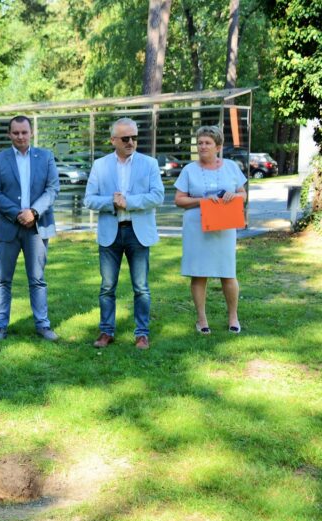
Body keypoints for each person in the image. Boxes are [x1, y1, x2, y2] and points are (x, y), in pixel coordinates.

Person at [84, 117, 164, 350]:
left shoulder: (149, 164)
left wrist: (128, 202)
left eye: (135, 137)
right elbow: (89, 199)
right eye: (126, 138)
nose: (131, 142)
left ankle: (142, 334)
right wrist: (112, 201)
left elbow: (157, 196)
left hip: (138, 233)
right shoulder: (100, 165)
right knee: (107, 286)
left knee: (141, 287)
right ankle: (106, 331)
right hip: (111, 232)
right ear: (113, 140)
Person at [0, 115, 60, 341]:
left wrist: (34, 212)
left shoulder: (46, 157)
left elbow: (52, 189)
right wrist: (17, 214)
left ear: (31, 133)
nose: (20, 136)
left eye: (24, 132)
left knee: (37, 278)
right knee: (3, 279)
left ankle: (42, 324)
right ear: (9, 134)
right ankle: (0, 326)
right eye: (16, 132)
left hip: (37, 228)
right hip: (7, 227)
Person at [174, 125, 247, 334]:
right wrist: (202, 200)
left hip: (224, 227)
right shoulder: (189, 170)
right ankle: (201, 319)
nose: (203, 146)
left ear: (218, 146)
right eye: (200, 143)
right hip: (197, 228)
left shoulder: (231, 167)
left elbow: (243, 194)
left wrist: (235, 196)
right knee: (199, 274)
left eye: (207, 143)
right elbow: (178, 199)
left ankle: (233, 316)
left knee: (228, 272)